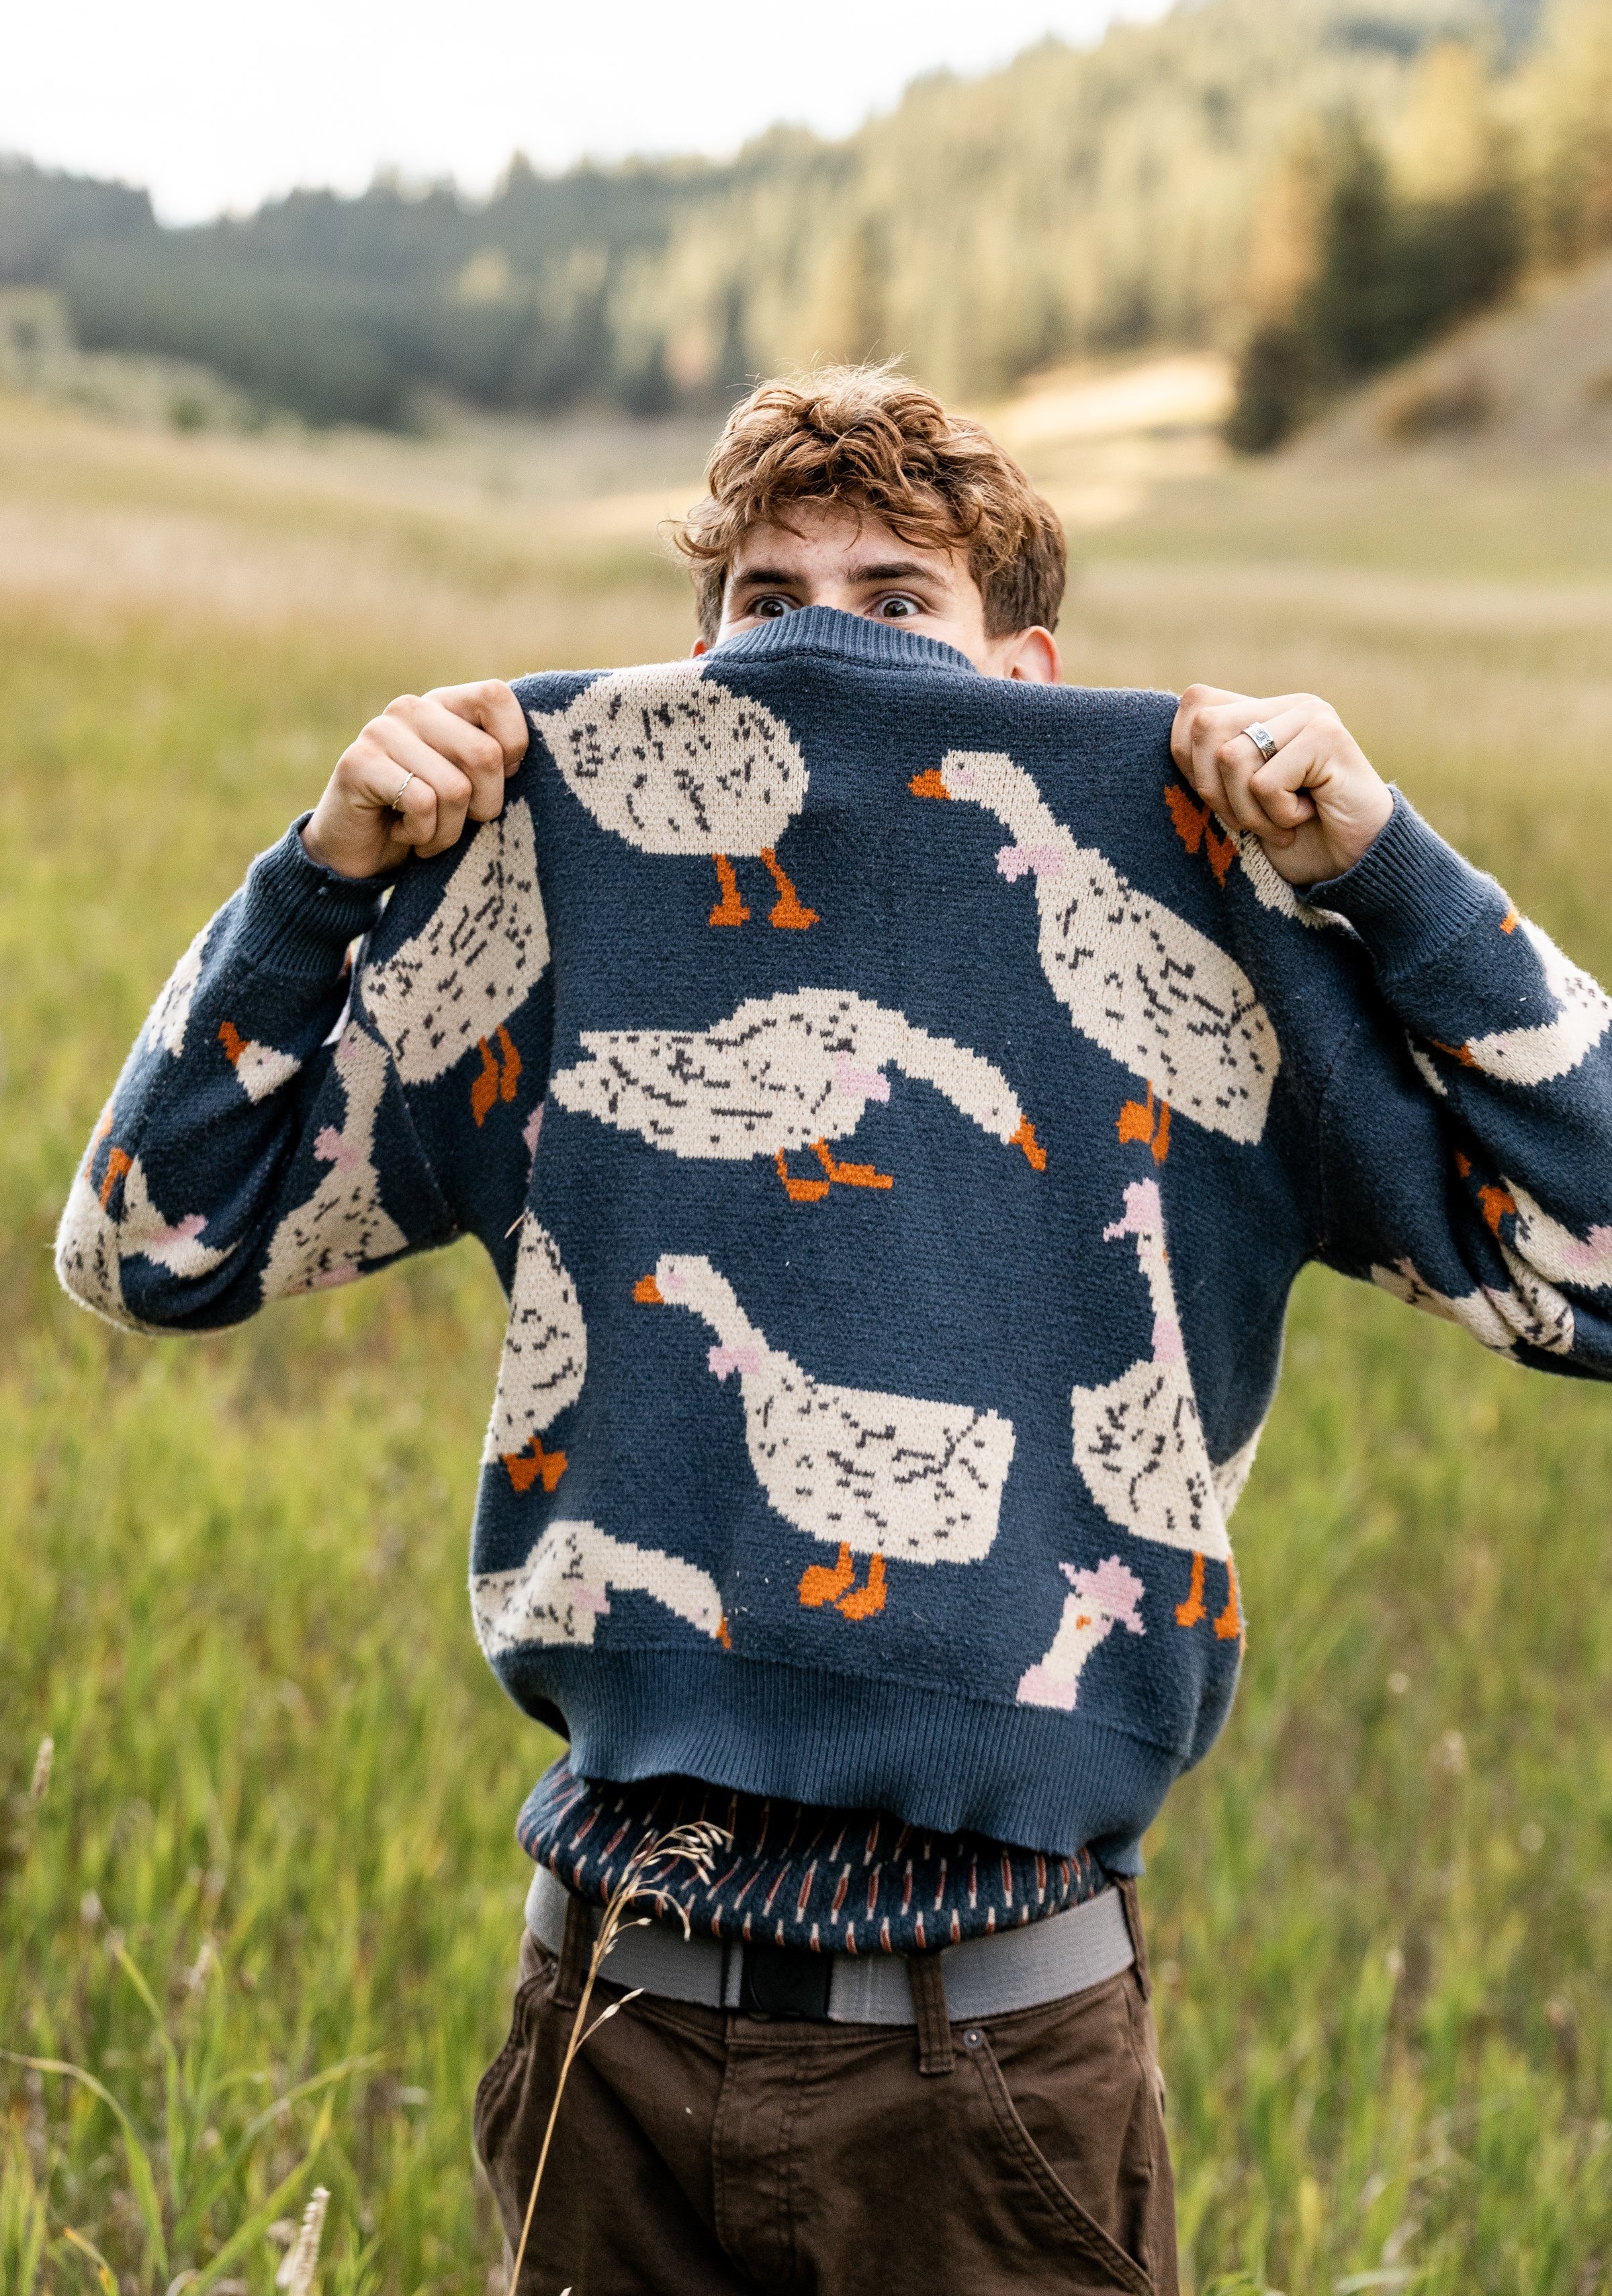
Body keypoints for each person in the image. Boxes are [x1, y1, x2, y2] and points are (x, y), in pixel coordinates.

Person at [58, 366, 1612, 2294]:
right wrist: (326, 879)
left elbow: (1599, 1263)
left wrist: (1388, 870)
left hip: (990, 2075)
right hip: (602, 2035)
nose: (827, 655)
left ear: (1028, 679)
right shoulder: (569, 922)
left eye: (895, 606)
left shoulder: (1210, 935)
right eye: (770, 607)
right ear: (687, 657)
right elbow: (147, 1247)